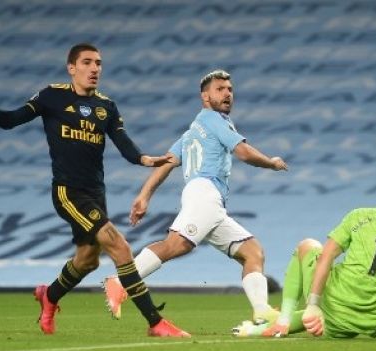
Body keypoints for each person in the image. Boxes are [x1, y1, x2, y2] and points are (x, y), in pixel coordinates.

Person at [0, 43, 189, 338]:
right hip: (68, 192)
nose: (95, 68)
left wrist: (146, 159)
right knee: (120, 247)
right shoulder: (52, 96)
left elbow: (125, 145)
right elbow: (11, 120)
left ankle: (50, 296)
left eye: (98, 63)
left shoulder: (106, 106)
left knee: (87, 260)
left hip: (96, 192)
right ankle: (155, 323)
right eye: (87, 62)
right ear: (72, 68)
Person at [103, 70, 288, 333]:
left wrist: (144, 195)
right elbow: (244, 153)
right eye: (220, 89)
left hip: (209, 201)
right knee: (175, 245)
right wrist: (271, 162)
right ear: (205, 97)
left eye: (229, 89)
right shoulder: (214, 120)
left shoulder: (193, 130)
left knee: (252, 252)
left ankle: (261, 313)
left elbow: (167, 163)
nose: (227, 93)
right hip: (205, 193)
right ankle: (120, 282)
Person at [232, 171, 376, 341]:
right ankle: (261, 327)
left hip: (331, 303)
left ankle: (283, 318)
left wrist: (313, 304)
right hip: (366, 321)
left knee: (307, 245)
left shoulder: (360, 215)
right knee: (326, 313)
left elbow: (327, 255)